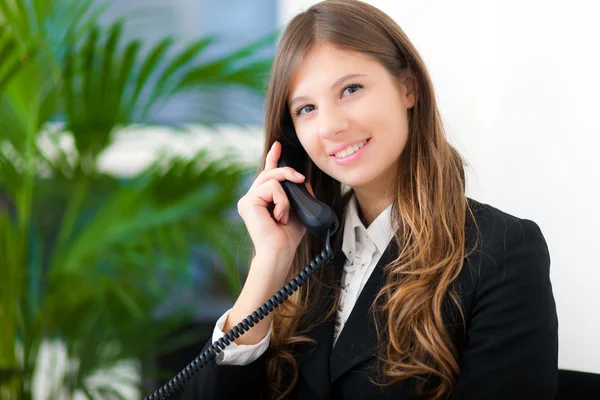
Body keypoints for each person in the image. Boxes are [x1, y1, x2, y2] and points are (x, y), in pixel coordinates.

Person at [179, 1, 558, 399]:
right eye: (306, 109)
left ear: (408, 88)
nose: (330, 126)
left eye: (351, 89)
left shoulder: (501, 251)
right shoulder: (303, 259)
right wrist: (269, 264)